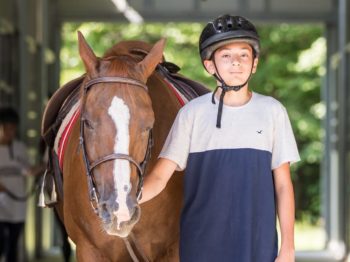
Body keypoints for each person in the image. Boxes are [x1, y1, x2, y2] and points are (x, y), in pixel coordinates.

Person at [139, 14, 300, 262]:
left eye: (244, 55)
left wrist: (288, 247)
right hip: (200, 248)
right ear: (210, 65)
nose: (236, 62)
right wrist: (125, 202)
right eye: (226, 55)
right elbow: (160, 176)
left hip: (257, 246)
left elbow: (282, 185)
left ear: (254, 64)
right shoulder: (191, 114)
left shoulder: (273, 111)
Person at [0, 106, 31, 262]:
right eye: (7, 128)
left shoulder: (20, 148)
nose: (10, 132)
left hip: (18, 204)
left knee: (13, 245)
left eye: (13, 129)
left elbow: (27, 170)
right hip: (1, 206)